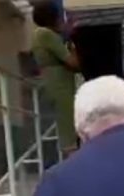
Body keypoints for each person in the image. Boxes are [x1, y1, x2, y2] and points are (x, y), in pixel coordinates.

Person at [31, 1, 82, 158]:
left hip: (57, 84)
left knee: (66, 125)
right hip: (60, 86)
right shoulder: (46, 35)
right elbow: (74, 63)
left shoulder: (41, 34)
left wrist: (67, 33)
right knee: (68, 129)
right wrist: (74, 44)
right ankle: (73, 165)